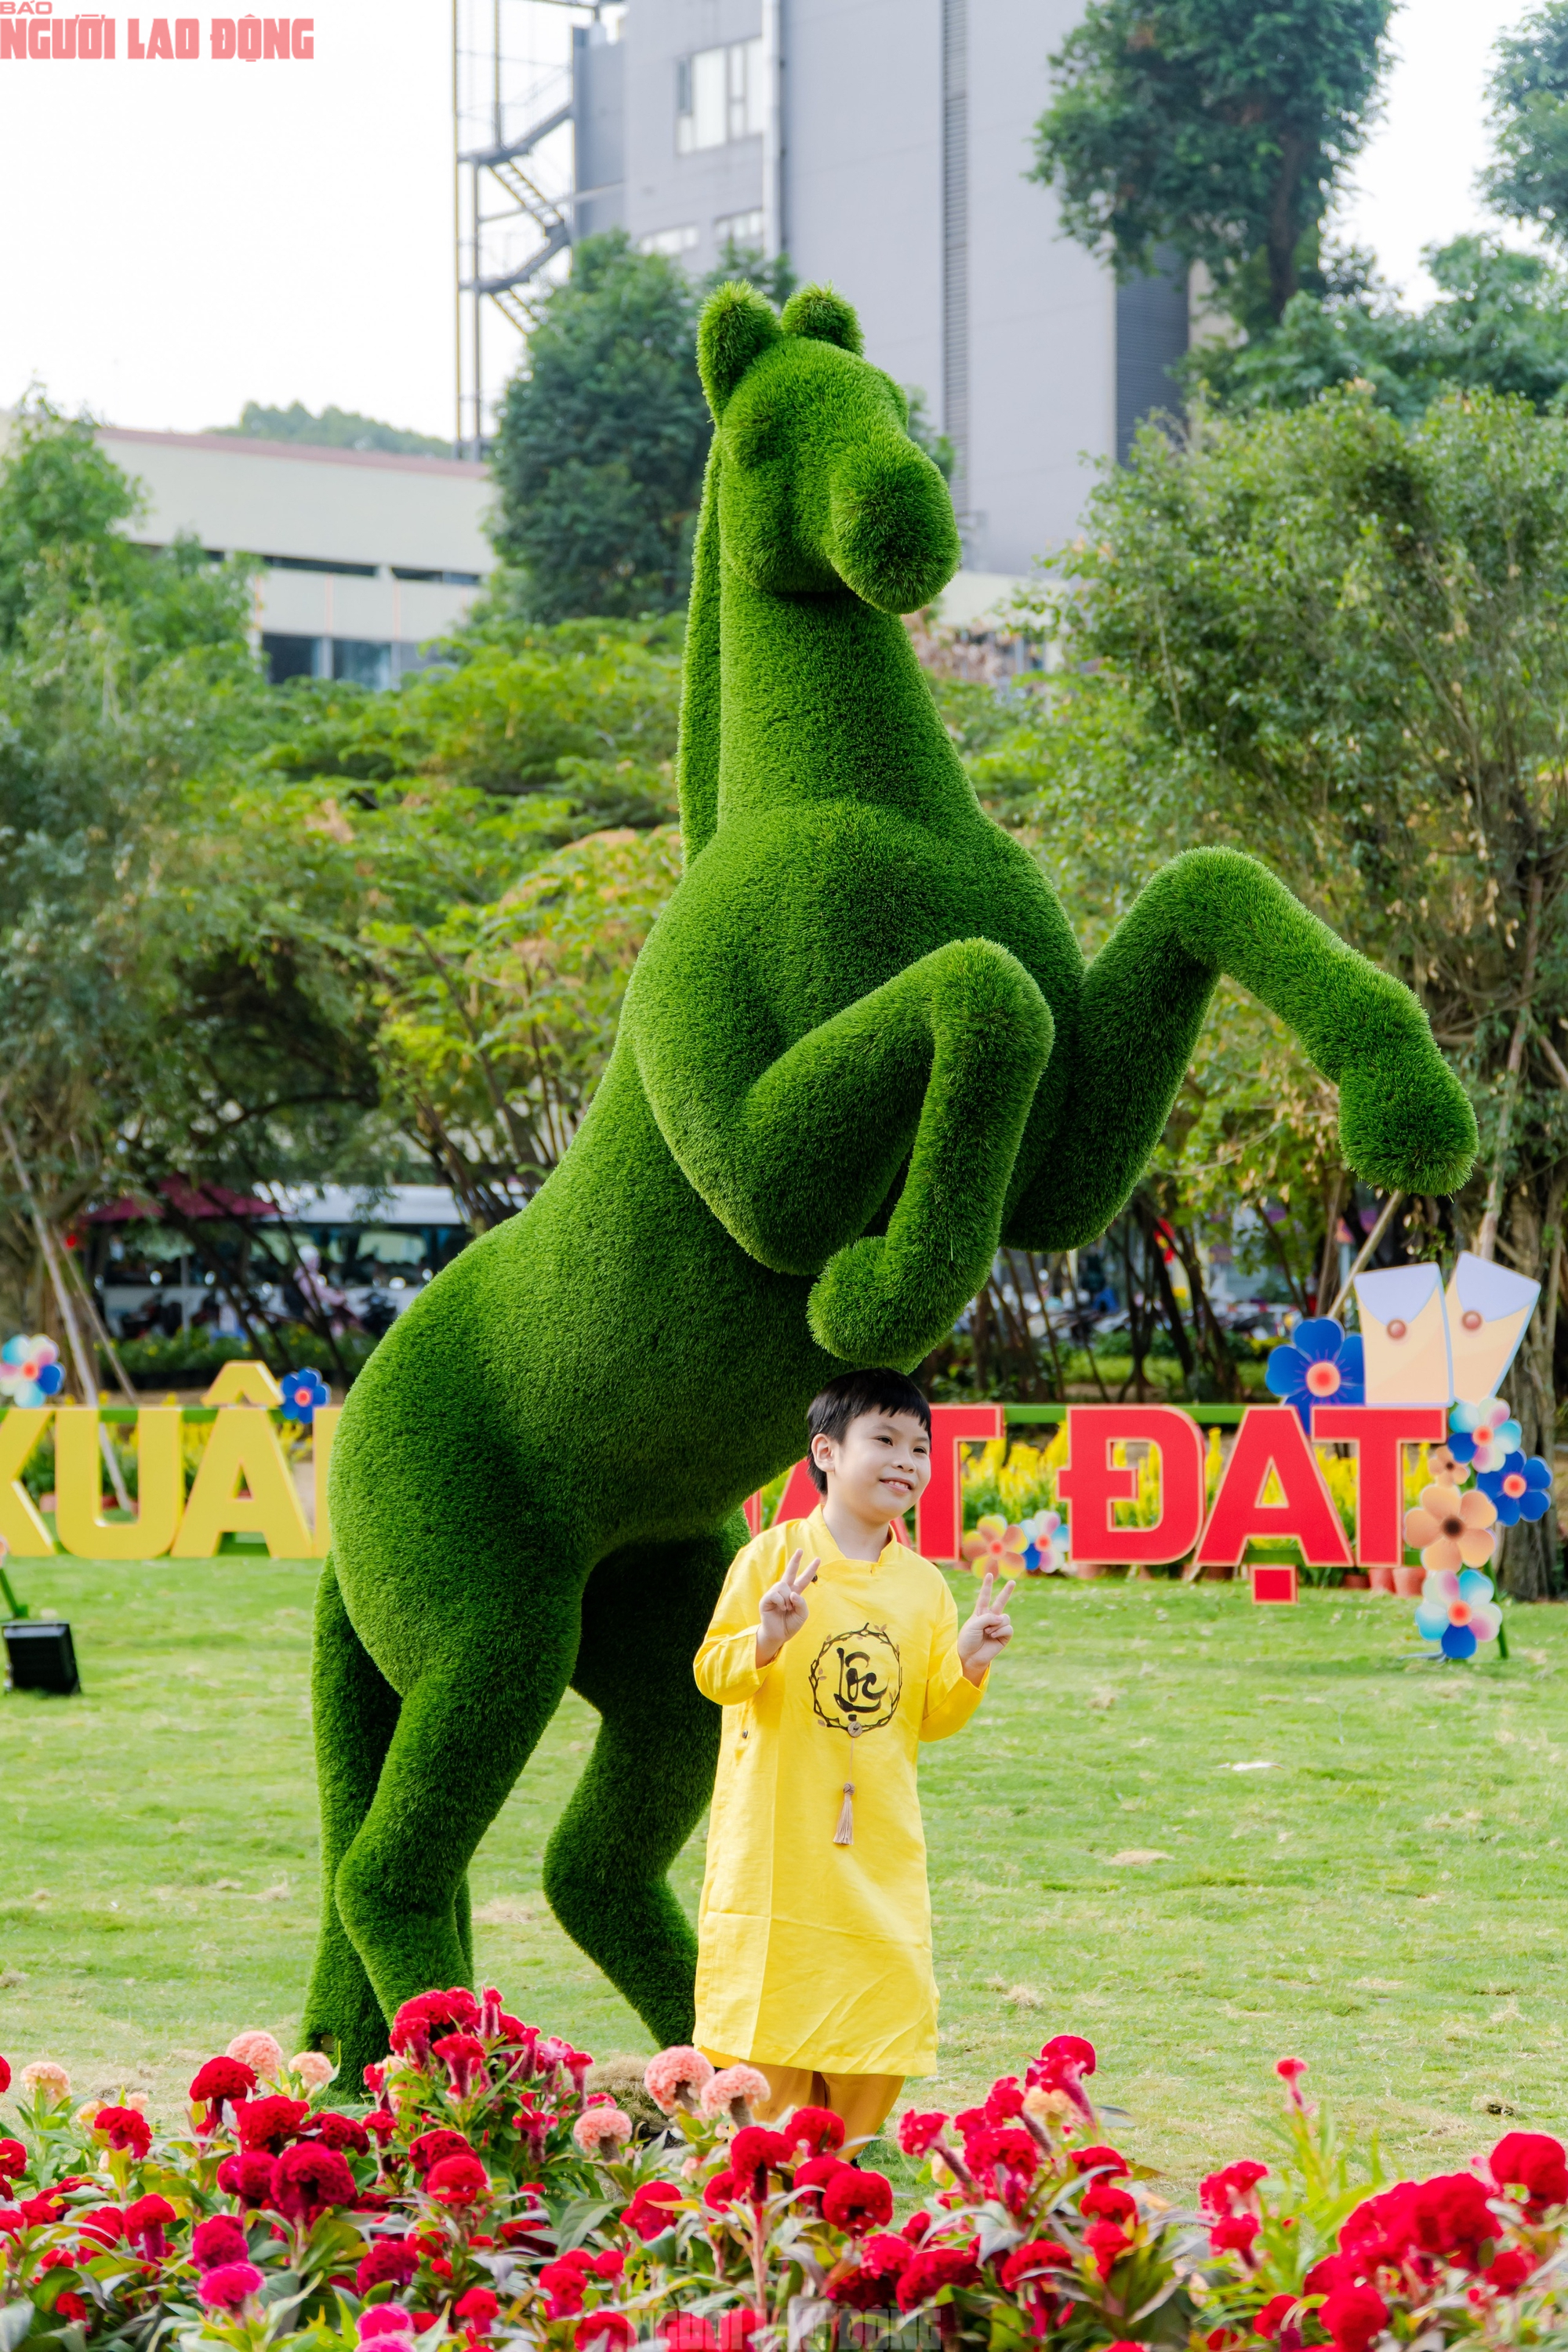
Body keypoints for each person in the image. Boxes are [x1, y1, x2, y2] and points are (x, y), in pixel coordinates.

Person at [692, 1366, 1015, 2149]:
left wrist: (967, 1659)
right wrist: (766, 1638)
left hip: (875, 1837)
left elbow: (928, 1716)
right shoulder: (768, 1559)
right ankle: (759, 2175)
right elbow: (712, 1671)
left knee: (880, 1998)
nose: (906, 1461)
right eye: (885, 1440)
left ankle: (844, 2169)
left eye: (920, 1447)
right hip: (779, 1836)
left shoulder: (923, 1588)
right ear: (826, 1452)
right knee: (769, 2010)